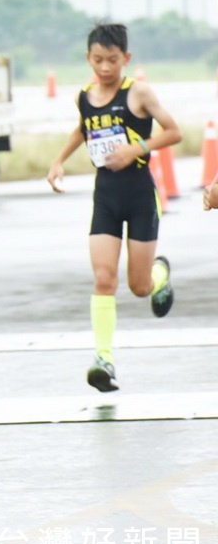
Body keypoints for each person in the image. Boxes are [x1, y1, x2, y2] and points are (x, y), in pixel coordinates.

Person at [46, 23, 179, 392]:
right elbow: (82, 128)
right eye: (98, 60)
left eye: (113, 60)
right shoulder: (85, 96)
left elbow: (174, 131)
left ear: (126, 59)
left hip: (139, 195)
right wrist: (58, 161)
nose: (105, 68)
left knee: (138, 286)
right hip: (104, 196)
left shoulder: (139, 93)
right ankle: (103, 359)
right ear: (88, 58)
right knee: (104, 278)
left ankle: (159, 277)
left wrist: (136, 149)